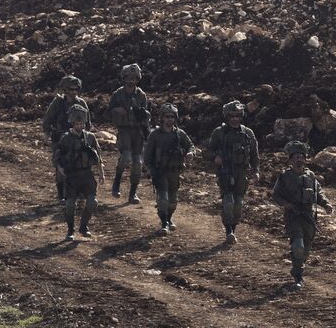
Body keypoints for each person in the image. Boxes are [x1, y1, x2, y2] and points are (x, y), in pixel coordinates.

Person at [271, 141, 332, 288]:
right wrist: (286, 204)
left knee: (305, 249)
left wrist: (326, 204)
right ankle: (298, 277)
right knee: (298, 246)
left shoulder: (310, 175)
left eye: (301, 157)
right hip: (293, 216)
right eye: (296, 157)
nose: (299, 159)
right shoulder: (285, 176)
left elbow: (318, 193)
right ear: (291, 159)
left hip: (309, 217)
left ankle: (297, 269)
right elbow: (276, 194)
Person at [207, 101, 260, 244]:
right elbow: (209, 150)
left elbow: (254, 154)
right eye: (232, 116)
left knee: (238, 204)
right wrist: (215, 157)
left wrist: (256, 170)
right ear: (227, 116)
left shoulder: (247, 133)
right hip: (225, 171)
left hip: (241, 172)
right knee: (228, 201)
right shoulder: (219, 133)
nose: (235, 119)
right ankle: (228, 231)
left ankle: (233, 229)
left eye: (238, 115)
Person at [143, 103, 196, 235]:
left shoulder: (179, 134)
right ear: (162, 118)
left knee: (173, 202)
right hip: (160, 171)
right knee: (163, 199)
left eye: (172, 117)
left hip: (175, 171)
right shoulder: (155, 135)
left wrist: (190, 153)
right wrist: (150, 168)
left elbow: (191, 146)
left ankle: (169, 218)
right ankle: (164, 223)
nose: (170, 119)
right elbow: (147, 155)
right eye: (167, 116)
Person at [54, 106, 104, 240]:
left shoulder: (90, 138)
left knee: (92, 202)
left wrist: (101, 174)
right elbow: (57, 157)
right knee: (70, 205)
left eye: (82, 123)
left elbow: (98, 157)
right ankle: (70, 230)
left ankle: (84, 227)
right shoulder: (66, 138)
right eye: (77, 123)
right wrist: (61, 170)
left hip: (87, 175)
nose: (80, 126)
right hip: (72, 176)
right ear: (72, 123)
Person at [42, 75, 90, 203]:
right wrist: (48, 133)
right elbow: (47, 120)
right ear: (65, 89)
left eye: (76, 89)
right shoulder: (58, 103)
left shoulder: (81, 103)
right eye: (71, 89)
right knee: (61, 167)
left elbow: (88, 124)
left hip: (77, 138)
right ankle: (61, 194)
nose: (74, 92)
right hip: (60, 139)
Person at [108, 63, 151, 204]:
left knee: (138, 163)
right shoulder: (118, 94)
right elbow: (107, 111)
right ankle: (116, 183)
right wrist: (117, 110)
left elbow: (147, 116)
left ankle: (133, 193)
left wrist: (145, 124)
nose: (131, 80)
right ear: (124, 78)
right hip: (124, 129)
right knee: (126, 158)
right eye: (128, 77)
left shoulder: (141, 95)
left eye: (134, 78)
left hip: (137, 131)